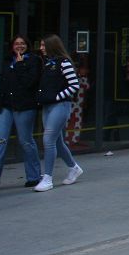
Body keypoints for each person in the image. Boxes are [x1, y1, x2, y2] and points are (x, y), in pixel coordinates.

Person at [0, 35, 41, 190]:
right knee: (0, 141)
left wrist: (21, 64)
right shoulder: (7, 60)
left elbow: (29, 82)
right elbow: (4, 83)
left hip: (24, 106)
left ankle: (34, 176)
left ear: (27, 45)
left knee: (26, 141)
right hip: (6, 106)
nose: (19, 46)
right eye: (16, 43)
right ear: (12, 46)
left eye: (22, 43)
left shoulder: (33, 61)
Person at [34, 35, 84, 192]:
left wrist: (58, 96)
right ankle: (74, 167)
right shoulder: (49, 63)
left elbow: (75, 84)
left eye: (43, 45)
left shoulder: (63, 63)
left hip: (60, 105)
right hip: (49, 105)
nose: (41, 48)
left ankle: (47, 178)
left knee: (48, 139)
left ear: (51, 46)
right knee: (56, 141)